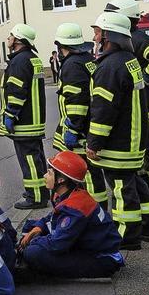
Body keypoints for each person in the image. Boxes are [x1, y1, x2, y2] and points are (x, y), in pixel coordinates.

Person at [86, 12, 149, 250]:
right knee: (134, 185)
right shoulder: (128, 60)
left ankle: (126, 237)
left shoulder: (110, 66)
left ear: (107, 35)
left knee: (122, 191)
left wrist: (93, 143)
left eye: (97, 32)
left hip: (120, 143)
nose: (94, 37)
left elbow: (103, 111)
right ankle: (148, 229)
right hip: (133, 138)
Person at [104, 0, 149, 211]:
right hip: (138, 106)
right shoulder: (129, 38)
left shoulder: (137, 38)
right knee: (143, 151)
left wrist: (147, 78)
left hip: (148, 106)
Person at [17, 151, 124, 278]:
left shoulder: (75, 208)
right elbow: (53, 218)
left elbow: (57, 244)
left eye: (50, 173)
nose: (45, 175)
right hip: (88, 246)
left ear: (61, 179)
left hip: (102, 259)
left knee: (33, 253)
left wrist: (35, 242)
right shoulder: (68, 194)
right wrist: (38, 227)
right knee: (31, 227)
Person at [51, 23, 109, 211]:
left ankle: (91, 212)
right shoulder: (87, 59)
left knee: (87, 175)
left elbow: (77, 100)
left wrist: (73, 129)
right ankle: (97, 210)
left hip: (80, 130)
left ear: (62, 47)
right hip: (89, 125)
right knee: (93, 174)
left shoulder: (72, 65)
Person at [0, 24, 48, 210]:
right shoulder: (33, 59)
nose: (8, 38)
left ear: (18, 39)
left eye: (11, 35)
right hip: (34, 121)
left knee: (29, 161)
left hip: (24, 122)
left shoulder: (19, 61)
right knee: (36, 159)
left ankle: (35, 197)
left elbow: (17, 91)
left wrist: (11, 114)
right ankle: (41, 192)